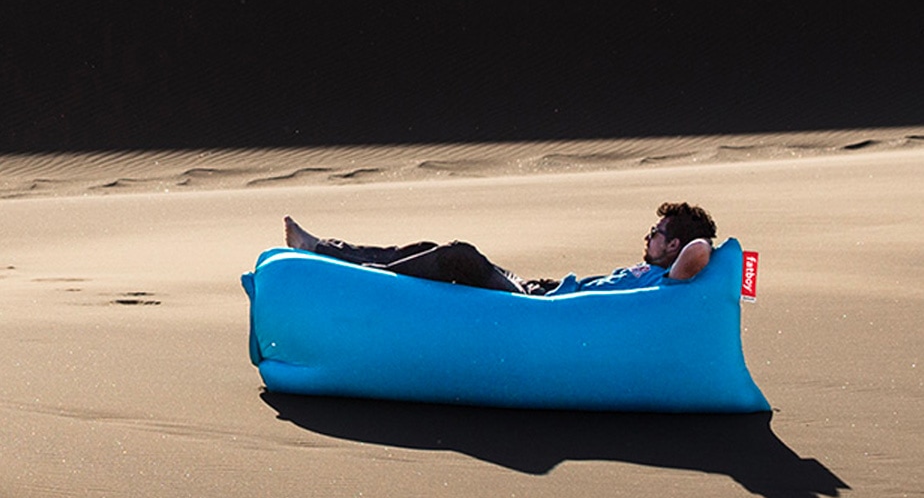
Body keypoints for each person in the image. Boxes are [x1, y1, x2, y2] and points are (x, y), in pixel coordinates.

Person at [282, 201, 717, 295]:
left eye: (657, 232)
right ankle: (326, 249)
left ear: (674, 244)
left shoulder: (672, 274)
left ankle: (357, 277)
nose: (648, 236)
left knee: (459, 255)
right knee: (430, 248)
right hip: (536, 288)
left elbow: (699, 251)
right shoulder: (658, 268)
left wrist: (716, 248)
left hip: (540, 305)